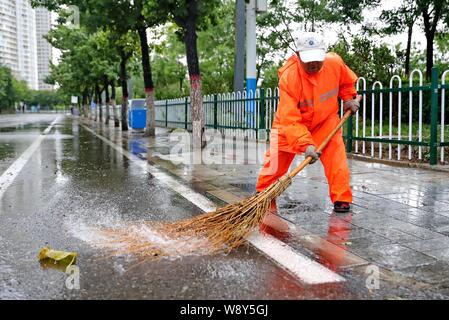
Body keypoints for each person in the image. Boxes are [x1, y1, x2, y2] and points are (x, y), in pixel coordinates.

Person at [256, 32, 360, 213]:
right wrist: (305, 144)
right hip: (288, 126)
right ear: (297, 55)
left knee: (337, 159)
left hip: (325, 121)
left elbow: (345, 82)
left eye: (317, 59)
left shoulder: (334, 63)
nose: (313, 64)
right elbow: (290, 118)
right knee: (274, 164)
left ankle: (341, 199)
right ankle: (263, 195)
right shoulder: (289, 77)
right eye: (308, 60)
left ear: (324, 54)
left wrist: (348, 98)